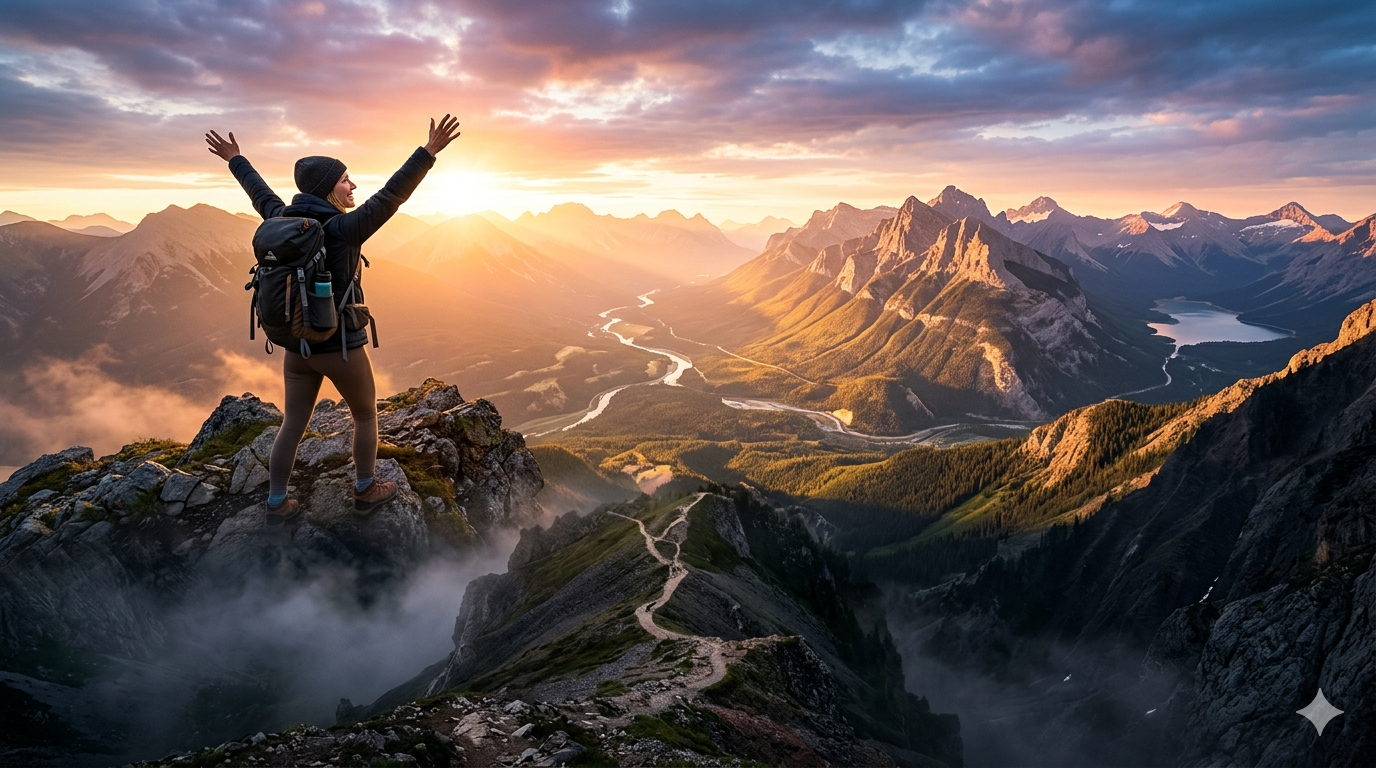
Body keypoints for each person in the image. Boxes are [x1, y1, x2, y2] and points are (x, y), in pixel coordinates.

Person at [205, 116, 462, 527]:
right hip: (339, 345)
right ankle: (365, 490)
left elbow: (259, 193)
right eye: (346, 180)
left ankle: (276, 503)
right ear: (328, 187)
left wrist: (236, 159)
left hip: (296, 348)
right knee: (364, 415)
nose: (353, 187)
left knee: (292, 423)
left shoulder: (282, 219)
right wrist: (428, 152)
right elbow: (392, 195)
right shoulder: (345, 228)